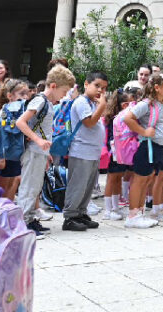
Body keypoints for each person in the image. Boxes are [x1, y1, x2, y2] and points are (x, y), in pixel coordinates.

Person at [15, 64, 76, 235]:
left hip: (40, 152)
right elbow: (20, 122)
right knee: (29, 188)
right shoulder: (40, 101)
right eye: (64, 91)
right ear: (54, 86)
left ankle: (30, 219)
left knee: (35, 188)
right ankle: (23, 224)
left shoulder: (46, 103)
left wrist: (46, 152)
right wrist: (38, 141)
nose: (64, 95)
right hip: (33, 151)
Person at [124, 70, 163, 226]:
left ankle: (140, 213)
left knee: (147, 180)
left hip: (157, 148)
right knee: (139, 180)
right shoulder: (146, 104)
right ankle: (132, 216)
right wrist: (144, 132)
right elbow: (128, 118)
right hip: (147, 147)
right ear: (157, 87)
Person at [62, 71, 109, 230]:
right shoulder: (81, 102)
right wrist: (102, 105)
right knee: (78, 185)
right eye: (97, 86)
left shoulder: (93, 103)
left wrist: (100, 106)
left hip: (92, 152)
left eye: (103, 88)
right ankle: (70, 216)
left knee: (88, 187)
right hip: (81, 151)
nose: (100, 90)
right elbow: (89, 123)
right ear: (86, 84)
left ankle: (81, 213)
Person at [0, 79, 30, 201]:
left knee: (12, 184)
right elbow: (0, 135)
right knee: (2, 187)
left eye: (26, 94)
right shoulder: (4, 112)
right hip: (5, 155)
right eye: (22, 94)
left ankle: (8, 208)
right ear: (10, 96)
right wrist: (2, 157)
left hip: (16, 155)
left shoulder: (20, 112)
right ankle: (0, 209)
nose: (25, 97)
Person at [101, 89, 134, 220]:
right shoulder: (112, 118)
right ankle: (108, 210)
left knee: (117, 179)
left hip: (119, 151)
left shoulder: (116, 116)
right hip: (113, 152)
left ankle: (115, 207)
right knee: (111, 179)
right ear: (124, 105)